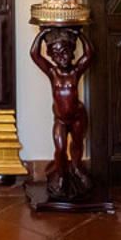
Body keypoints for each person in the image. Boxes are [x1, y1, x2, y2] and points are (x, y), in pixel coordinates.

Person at [30, 27, 93, 200]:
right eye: (56, 55)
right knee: (60, 149)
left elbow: (89, 54)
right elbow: (34, 54)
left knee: (77, 145)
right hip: (61, 120)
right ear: (51, 56)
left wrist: (80, 35)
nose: (61, 58)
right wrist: (42, 34)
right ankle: (61, 175)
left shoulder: (75, 71)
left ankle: (77, 168)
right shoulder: (52, 72)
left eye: (65, 52)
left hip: (77, 117)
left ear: (72, 52)